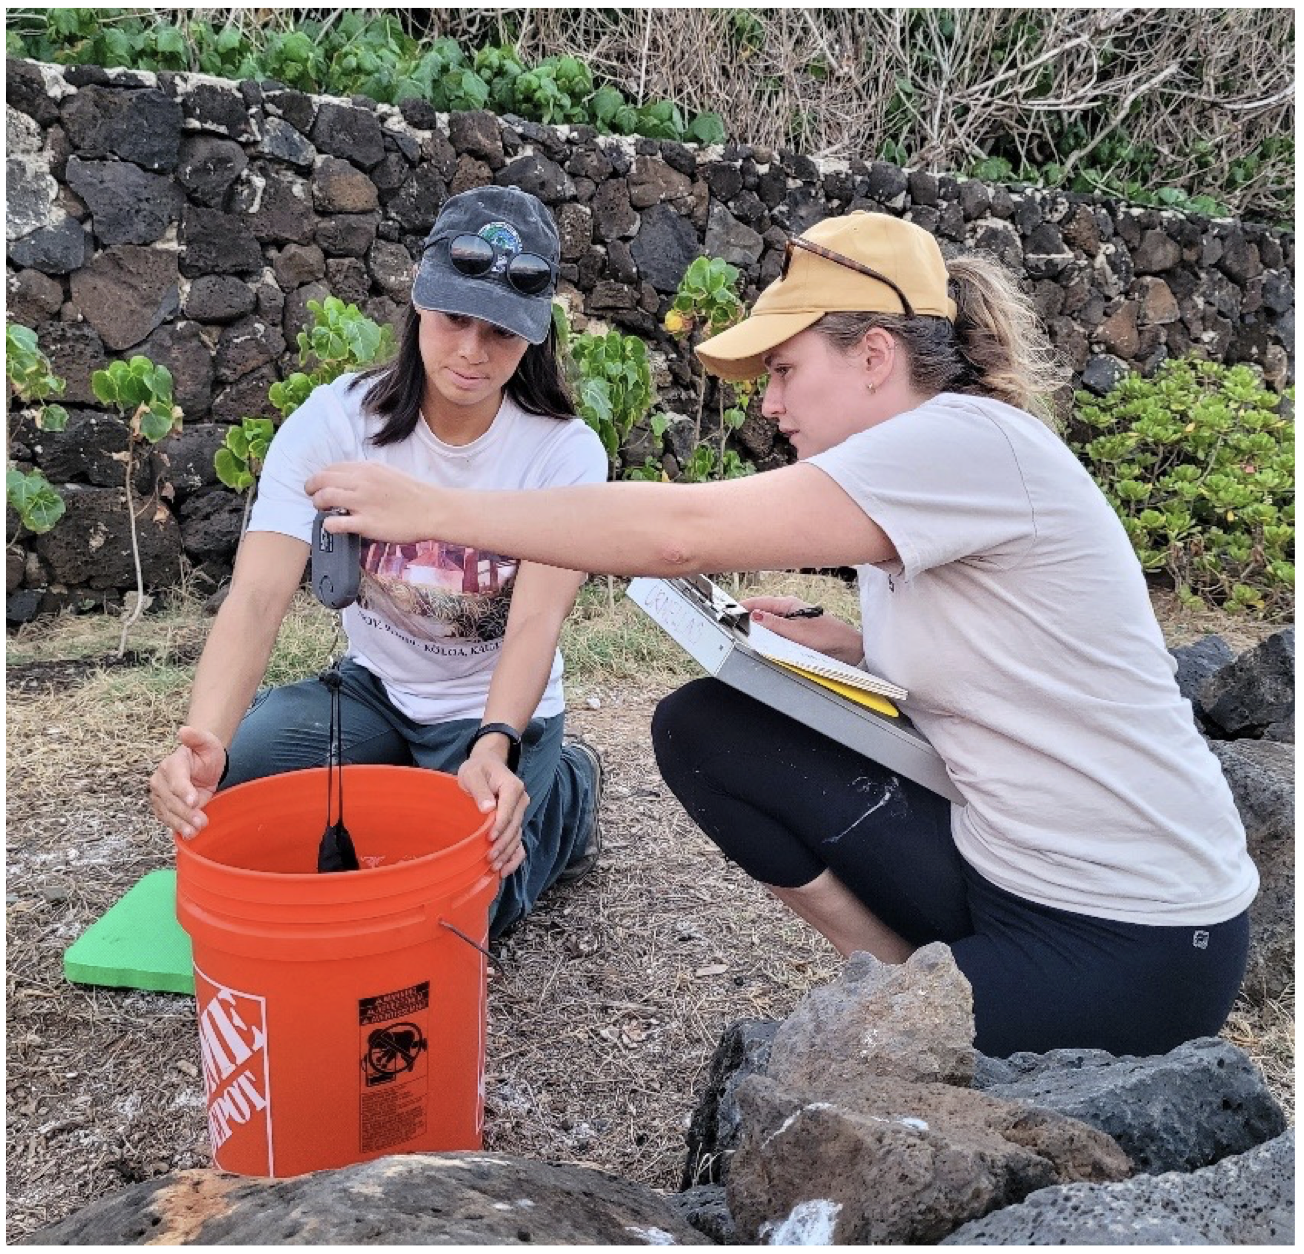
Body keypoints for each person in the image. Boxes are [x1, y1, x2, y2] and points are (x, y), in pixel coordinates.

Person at [303, 211, 1258, 1058]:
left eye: (788, 371)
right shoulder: (926, 469)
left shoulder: (967, 441)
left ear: (876, 356)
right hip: (1002, 874)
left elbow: (682, 533)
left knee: (854, 1068)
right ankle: (896, 987)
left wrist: (432, 508)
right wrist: (853, 647)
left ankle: (912, 1021)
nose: (770, 403)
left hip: (1134, 938)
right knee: (705, 728)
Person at [150, 185, 608, 941]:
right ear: (420, 302)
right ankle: (399, 774)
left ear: (534, 336)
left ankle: (569, 792)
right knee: (241, 784)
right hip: (375, 690)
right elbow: (258, 597)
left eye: (501, 330)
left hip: (486, 706)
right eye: (456, 316)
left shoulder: (563, 453)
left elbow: (536, 620)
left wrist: (495, 743)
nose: (472, 349)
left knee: (458, 913)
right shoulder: (337, 421)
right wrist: (203, 742)